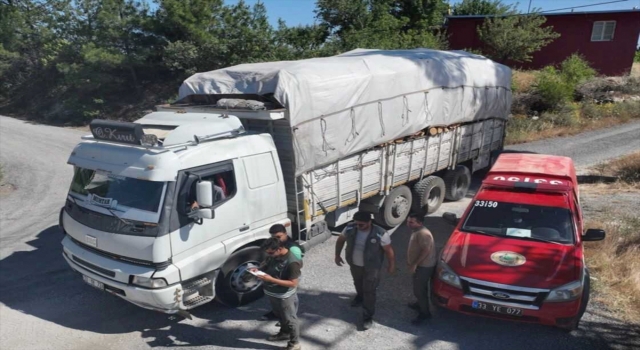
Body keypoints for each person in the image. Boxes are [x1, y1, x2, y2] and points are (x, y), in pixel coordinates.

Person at [334, 211, 395, 330]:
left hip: (372, 268)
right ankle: (360, 297)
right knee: (357, 283)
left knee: (370, 290)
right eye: (356, 224)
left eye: (361, 225)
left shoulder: (380, 233)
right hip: (355, 265)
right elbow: (341, 240)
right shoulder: (350, 228)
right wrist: (337, 255)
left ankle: (367, 316)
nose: (358, 226)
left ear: (369, 222)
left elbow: (389, 250)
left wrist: (391, 264)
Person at [251, 237, 303, 350]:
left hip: (284, 296)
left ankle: (294, 344)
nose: (269, 255)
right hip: (273, 293)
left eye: (270, 252)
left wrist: (271, 279)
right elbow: (266, 264)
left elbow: (293, 283)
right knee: (280, 315)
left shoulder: (292, 262)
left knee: (290, 320)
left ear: (279, 249)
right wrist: (258, 269)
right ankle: (284, 333)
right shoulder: (274, 255)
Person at [260, 224, 305, 322]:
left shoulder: (293, 248)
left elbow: (297, 266)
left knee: (291, 298)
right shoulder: (275, 245)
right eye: (273, 237)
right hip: (278, 273)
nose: (276, 239)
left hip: (289, 274)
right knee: (277, 299)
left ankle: (290, 316)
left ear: (285, 234)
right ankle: (277, 313)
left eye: (278, 237)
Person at [406, 213, 437, 325]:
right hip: (420, 265)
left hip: (424, 266)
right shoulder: (416, 231)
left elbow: (426, 250)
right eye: (408, 221)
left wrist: (415, 264)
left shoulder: (423, 234)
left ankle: (425, 314)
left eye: (411, 222)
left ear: (420, 223)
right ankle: (419, 304)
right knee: (418, 288)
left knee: (419, 290)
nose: (408, 224)